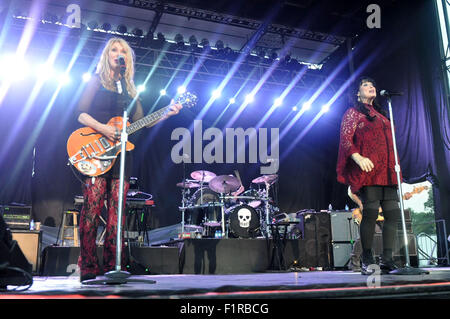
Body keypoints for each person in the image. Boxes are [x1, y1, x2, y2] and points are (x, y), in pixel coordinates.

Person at [76, 37, 182, 282]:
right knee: (92, 210)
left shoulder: (129, 89)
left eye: (122, 50)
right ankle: (88, 264)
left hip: (122, 157)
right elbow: (79, 113)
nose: (118, 53)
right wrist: (102, 128)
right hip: (96, 152)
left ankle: (115, 263)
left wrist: (167, 113)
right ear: (107, 55)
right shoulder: (96, 82)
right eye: (114, 50)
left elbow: (139, 123)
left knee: (117, 214)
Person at [336, 76, 401, 275]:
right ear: (357, 93)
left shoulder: (382, 115)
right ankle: (367, 256)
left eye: (373, 84)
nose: (371, 87)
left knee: (392, 214)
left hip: (387, 170)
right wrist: (358, 158)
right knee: (371, 212)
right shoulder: (353, 113)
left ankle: (387, 259)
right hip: (368, 169)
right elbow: (346, 139)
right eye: (365, 85)